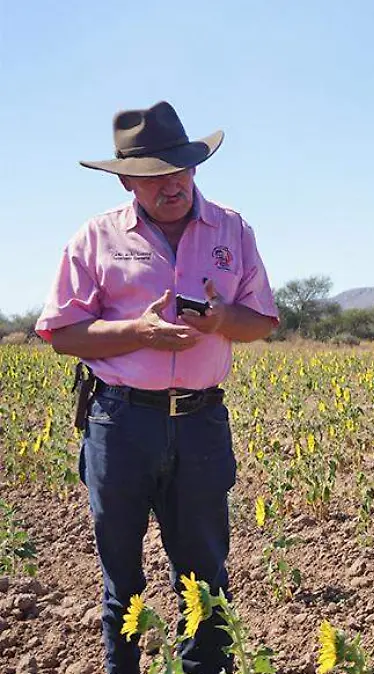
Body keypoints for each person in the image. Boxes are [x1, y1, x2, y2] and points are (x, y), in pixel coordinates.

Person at [35, 101, 279, 674]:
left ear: (194, 166)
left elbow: (262, 320)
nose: (170, 184)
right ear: (127, 180)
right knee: (122, 576)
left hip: (200, 421)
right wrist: (135, 331)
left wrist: (221, 323)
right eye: (152, 175)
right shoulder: (94, 238)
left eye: (178, 168)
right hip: (120, 423)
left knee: (205, 577)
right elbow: (62, 333)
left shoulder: (232, 230)